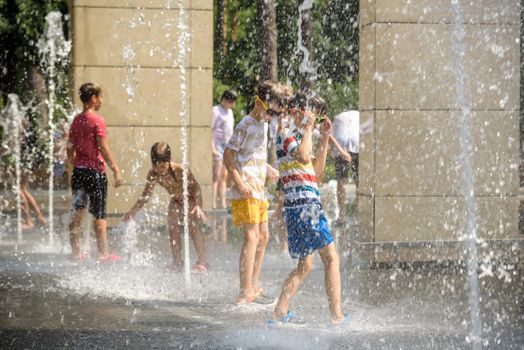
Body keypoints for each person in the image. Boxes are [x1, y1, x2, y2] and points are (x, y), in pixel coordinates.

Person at [270, 91, 347, 326]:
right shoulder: (286, 134)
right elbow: (303, 156)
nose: (310, 118)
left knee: (305, 264)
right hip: (305, 206)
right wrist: (308, 128)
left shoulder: (300, 136)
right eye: (307, 112)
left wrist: (323, 137)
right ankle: (337, 316)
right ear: (295, 112)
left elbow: (316, 170)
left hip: (300, 206)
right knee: (331, 258)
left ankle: (279, 313)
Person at [223, 80, 283, 304]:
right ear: (259, 102)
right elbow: (228, 155)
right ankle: (243, 291)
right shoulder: (245, 124)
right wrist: (238, 182)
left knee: (264, 237)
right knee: (251, 237)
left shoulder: (264, 125)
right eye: (271, 111)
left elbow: (251, 154)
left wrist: (267, 168)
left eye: (275, 114)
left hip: (259, 188)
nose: (272, 117)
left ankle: (253, 284)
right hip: (246, 187)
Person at [122, 142, 208, 272]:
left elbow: (196, 187)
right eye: (156, 167)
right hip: (176, 201)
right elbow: (145, 196)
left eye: (163, 166)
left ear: (169, 160)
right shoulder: (153, 174)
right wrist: (132, 212)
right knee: (172, 228)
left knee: (193, 227)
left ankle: (202, 261)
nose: (160, 171)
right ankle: (177, 261)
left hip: (190, 199)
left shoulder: (180, 170)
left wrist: (198, 206)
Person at [67, 82, 123, 261]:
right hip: (95, 173)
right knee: (99, 214)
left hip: (79, 172)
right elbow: (103, 148)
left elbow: (69, 146)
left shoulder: (76, 120)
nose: (102, 101)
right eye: (100, 97)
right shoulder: (97, 120)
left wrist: (73, 163)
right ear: (93, 99)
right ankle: (103, 254)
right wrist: (115, 169)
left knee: (77, 212)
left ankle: (76, 253)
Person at [211, 90, 237, 241]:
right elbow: (211, 130)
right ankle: (214, 203)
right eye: (231, 101)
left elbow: (230, 131)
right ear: (226, 100)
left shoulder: (230, 113)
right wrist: (212, 148)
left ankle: (222, 203)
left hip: (227, 147)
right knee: (216, 175)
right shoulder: (216, 111)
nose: (233, 104)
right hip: (218, 146)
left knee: (224, 176)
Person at [330, 110, 359, 225]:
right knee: (359, 181)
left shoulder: (337, 117)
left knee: (341, 181)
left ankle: (341, 217)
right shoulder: (359, 114)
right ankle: (361, 215)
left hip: (341, 144)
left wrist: (335, 153)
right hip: (357, 142)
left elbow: (330, 135)